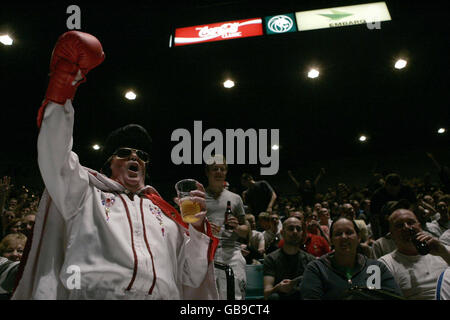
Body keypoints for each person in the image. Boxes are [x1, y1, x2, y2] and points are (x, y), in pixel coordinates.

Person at [12, 31, 219, 300]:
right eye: (124, 152)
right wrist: (63, 83)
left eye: (141, 155)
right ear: (109, 162)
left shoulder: (167, 215)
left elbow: (191, 276)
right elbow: (54, 152)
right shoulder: (84, 193)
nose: (135, 158)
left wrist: (197, 229)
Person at [300, 217, 402, 299]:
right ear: (331, 241)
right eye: (338, 234)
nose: (344, 237)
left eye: (349, 232)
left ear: (358, 238)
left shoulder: (375, 268)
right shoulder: (317, 269)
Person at [204, 155, 249, 300]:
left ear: (226, 172)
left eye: (222, 169)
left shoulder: (235, 199)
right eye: (214, 169)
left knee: (234, 298)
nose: (218, 172)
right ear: (207, 172)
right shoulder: (198, 198)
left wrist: (237, 227)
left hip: (231, 253)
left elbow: (246, 229)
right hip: (205, 253)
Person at [379, 209, 450, 299]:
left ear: (419, 226)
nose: (407, 227)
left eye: (410, 222)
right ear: (391, 235)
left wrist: (444, 252)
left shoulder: (440, 249)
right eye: (399, 225)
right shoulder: (386, 264)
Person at [263, 217, 315, 300]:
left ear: (302, 233)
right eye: (291, 229)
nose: (295, 232)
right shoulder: (271, 259)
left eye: (298, 229)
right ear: (282, 233)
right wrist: (278, 288)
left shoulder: (311, 260)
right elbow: (266, 294)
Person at [370, 173, 417, 239]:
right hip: (385, 224)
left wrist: (406, 215)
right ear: (385, 185)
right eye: (390, 190)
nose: (393, 192)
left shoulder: (407, 190)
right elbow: (374, 218)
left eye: (395, 189)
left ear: (400, 186)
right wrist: (377, 237)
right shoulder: (377, 195)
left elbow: (414, 204)